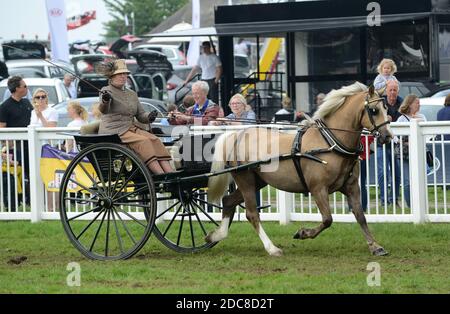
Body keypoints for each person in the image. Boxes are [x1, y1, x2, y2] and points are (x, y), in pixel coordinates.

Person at [97, 59, 174, 175]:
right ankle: (161, 175)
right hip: (114, 131)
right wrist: (105, 100)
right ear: (111, 77)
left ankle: (171, 174)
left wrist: (150, 116)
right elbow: (104, 110)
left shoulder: (132, 93)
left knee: (155, 139)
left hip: (130, 128)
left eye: (125, 74)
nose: (123, 77)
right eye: (120, 74)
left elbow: (141, 116)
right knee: (144, 141)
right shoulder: (106, 91)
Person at [0, 76, 33, 209]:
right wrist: (7, 146)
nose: (26, 88)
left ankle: (31, 200)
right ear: (17, 89)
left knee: (32, 173)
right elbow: (1, 129)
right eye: (24, 86)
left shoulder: (27, 103)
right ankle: (14, 202)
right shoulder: (4, 107)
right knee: (14, 175)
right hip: (14, 147)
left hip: (29, 144)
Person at [397, 94, 427, 208]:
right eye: (417, 102)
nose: (419, 104)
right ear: (409, 104)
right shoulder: (401, 119)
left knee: (420, 179)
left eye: (419, 102)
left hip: (419, 153)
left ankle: (421, 205)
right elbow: (396, 137)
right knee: (407, 181)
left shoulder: (422, 117)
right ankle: (410, 206)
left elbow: (427, 136)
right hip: (405, 155)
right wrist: (406, 142)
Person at [377, 79, 402, 207]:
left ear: (398, 91)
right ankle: (384, 200)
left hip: (395, 144)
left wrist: (394, 119)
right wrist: (384, 118)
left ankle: (394, 199)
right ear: (386, 91)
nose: (392, 92)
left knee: (397, 173)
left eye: (395, 90)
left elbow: (404, 119)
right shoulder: (381, 102)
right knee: (383, 172)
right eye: (390, 90)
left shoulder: (401, 102)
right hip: (381, 143)